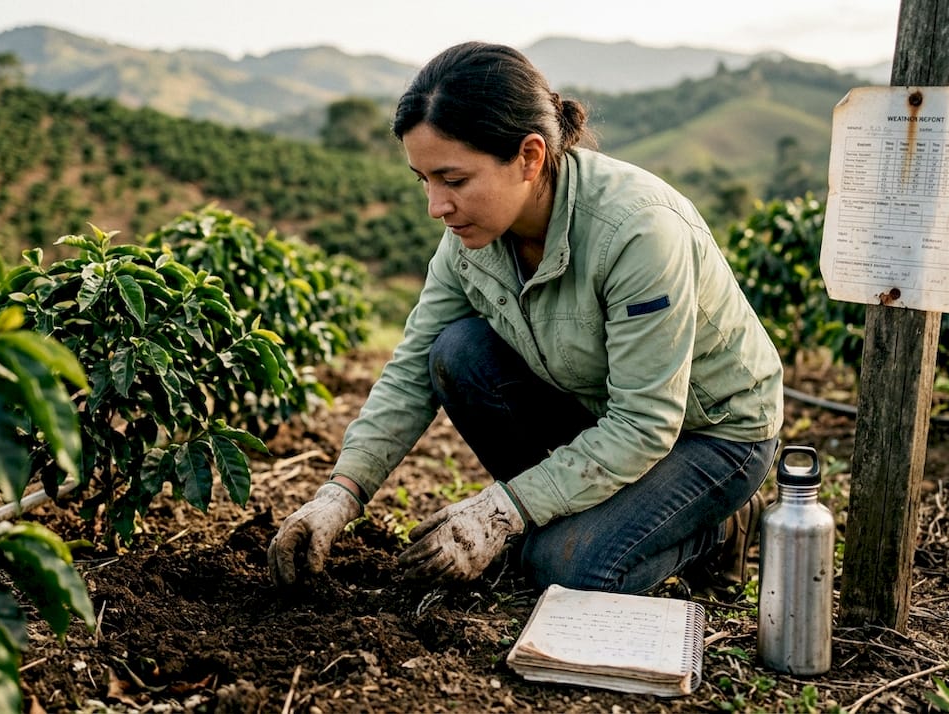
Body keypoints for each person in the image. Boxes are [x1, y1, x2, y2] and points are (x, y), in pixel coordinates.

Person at [267, 41, 783, 595]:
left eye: (454, 180)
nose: (436, 206)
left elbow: (645, 422)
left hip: (709, 434)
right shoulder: (470, 241)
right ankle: (561, 520)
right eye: (424, 180)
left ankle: (722, 526)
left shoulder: (638, 232)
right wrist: (341, 492)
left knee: (566, 569)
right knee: (456, 353)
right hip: (600, 409)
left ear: (530, 157)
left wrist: (501, 511)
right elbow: (412, 367)